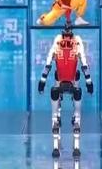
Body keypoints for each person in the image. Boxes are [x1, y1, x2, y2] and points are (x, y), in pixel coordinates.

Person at [37, 24, 94, 159]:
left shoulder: (57, 41)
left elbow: (48, 64)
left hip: (61, 83)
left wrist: (42, 82)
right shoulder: (77, 42)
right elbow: (84, 65)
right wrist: (89, 83)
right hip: (73, 83)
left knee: (55, 104)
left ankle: (56, 125)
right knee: (77, 102)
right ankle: (76, 127)